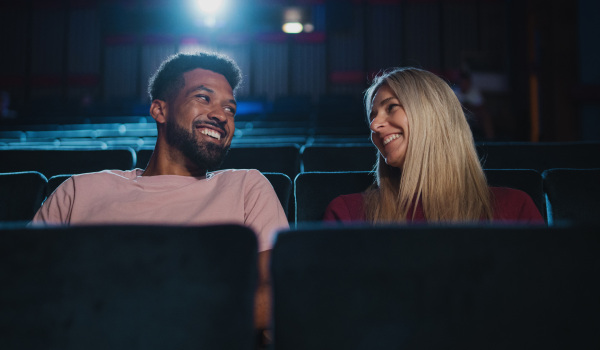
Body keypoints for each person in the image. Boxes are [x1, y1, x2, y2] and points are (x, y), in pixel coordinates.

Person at [32, 52, 288, 343]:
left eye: (230, 109)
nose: (221, 115)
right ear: (159, 110)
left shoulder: (247, 186)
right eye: (204, 98)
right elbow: (24, 288)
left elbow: (279, 291)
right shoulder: (78, 191)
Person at [323, 67, 543, 224]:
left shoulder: (515, 209)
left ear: (433, 117)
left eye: (391, 107)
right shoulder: (348, 214)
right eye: (372, 116)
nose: (374, 125)